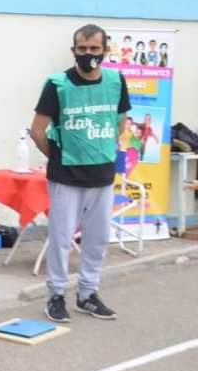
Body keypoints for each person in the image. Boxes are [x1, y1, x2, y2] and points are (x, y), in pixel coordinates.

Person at [30, 24, 130, 323]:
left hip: (101, 175)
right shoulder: (57, 84)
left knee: (97, 239)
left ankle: (88, 294)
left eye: (94, 49)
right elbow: (37, 130)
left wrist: (102, 148)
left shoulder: (115, 80)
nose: (88, 55)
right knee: (61, 239)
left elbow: (121, 121)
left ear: (105, 51)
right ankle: (56, 296)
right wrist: (57, 157)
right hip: (66, 177)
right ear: (74, 50)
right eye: (82, 49)